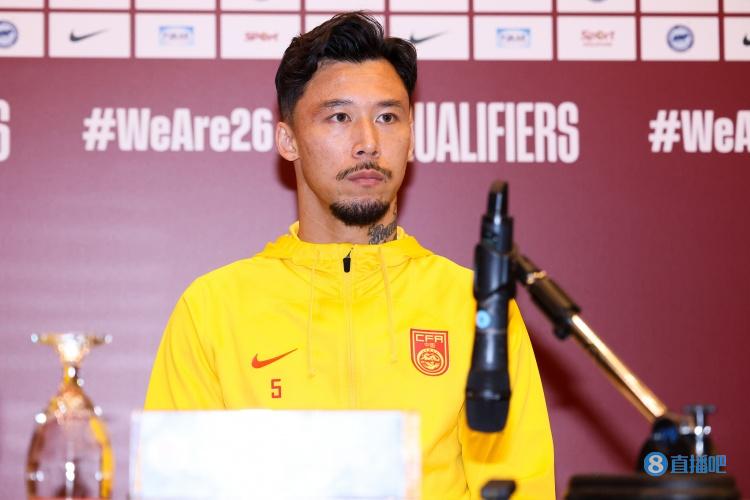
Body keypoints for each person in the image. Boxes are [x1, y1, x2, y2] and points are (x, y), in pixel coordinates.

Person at [145, 12, 554, 499]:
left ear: (411, 136)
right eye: (339, 117)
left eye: (387, 117)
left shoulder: (476, 306)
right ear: (289, 140)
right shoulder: (213, 308)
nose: (368, 143)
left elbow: (520, 488)